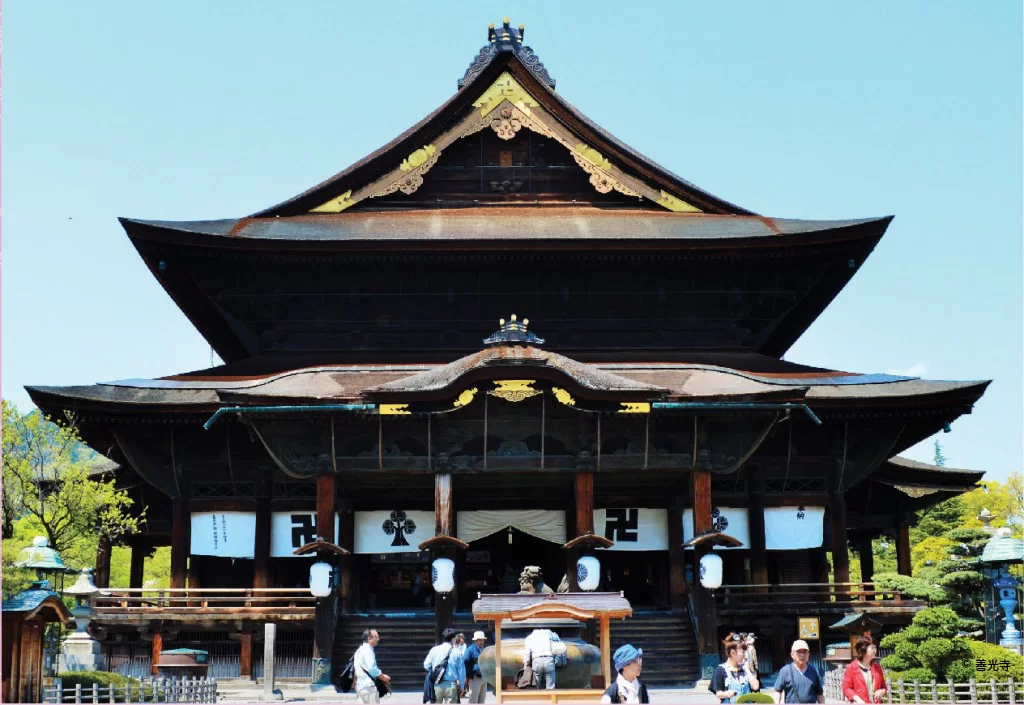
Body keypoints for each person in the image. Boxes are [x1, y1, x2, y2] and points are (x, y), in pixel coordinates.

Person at [710, 637, 759, 703]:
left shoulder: (745, 669)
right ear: (733, 653)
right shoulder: (720, 670)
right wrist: (727, 694)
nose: (745, 656)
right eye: (743, 652)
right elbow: (718, 693)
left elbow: (755, 687)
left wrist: (747, 669)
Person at [773, 640, 824, 704]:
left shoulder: (813, 670)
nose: (802, 655)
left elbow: (819, 693)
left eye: (804, 652)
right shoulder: (785, 671)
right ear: (792, 654)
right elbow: (778, 691)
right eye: (798, 652)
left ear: (808, 654)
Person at [424, 627, 466, 704]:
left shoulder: (434, 650)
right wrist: (462, 686)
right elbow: (461, 671)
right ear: (453, 639)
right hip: (451, 685)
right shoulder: (457, 652)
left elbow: (426, 665)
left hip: (437, 684)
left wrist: (436, 671)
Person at [841, 636, 887, 703]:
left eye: (875, 647)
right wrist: (857, 699)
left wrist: (882, 691)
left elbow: (884, 687)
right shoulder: (851, 668)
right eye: (872, 648)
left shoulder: (877, 668)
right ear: (863, 649)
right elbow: (846, 688)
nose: (875, 650)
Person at [354, 629, 391, 704]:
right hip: (369, 687)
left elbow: (356, 669)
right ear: (369, 638)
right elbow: (372, 668)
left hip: (360, 687)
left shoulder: (359, 650)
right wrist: (383, 677)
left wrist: (354, 681)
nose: (378, 639)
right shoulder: (368, 650)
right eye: (376, 637)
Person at [463, 631, 488, 704]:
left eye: (482, 640)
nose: (481, 641)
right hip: (475, 678)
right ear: (475, 640)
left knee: (482, 701)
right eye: (479, 640)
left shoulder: (484, 649)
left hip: (484, 677)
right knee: (473, 701)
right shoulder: (470, 649)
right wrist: (470, 674)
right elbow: (464, 662)